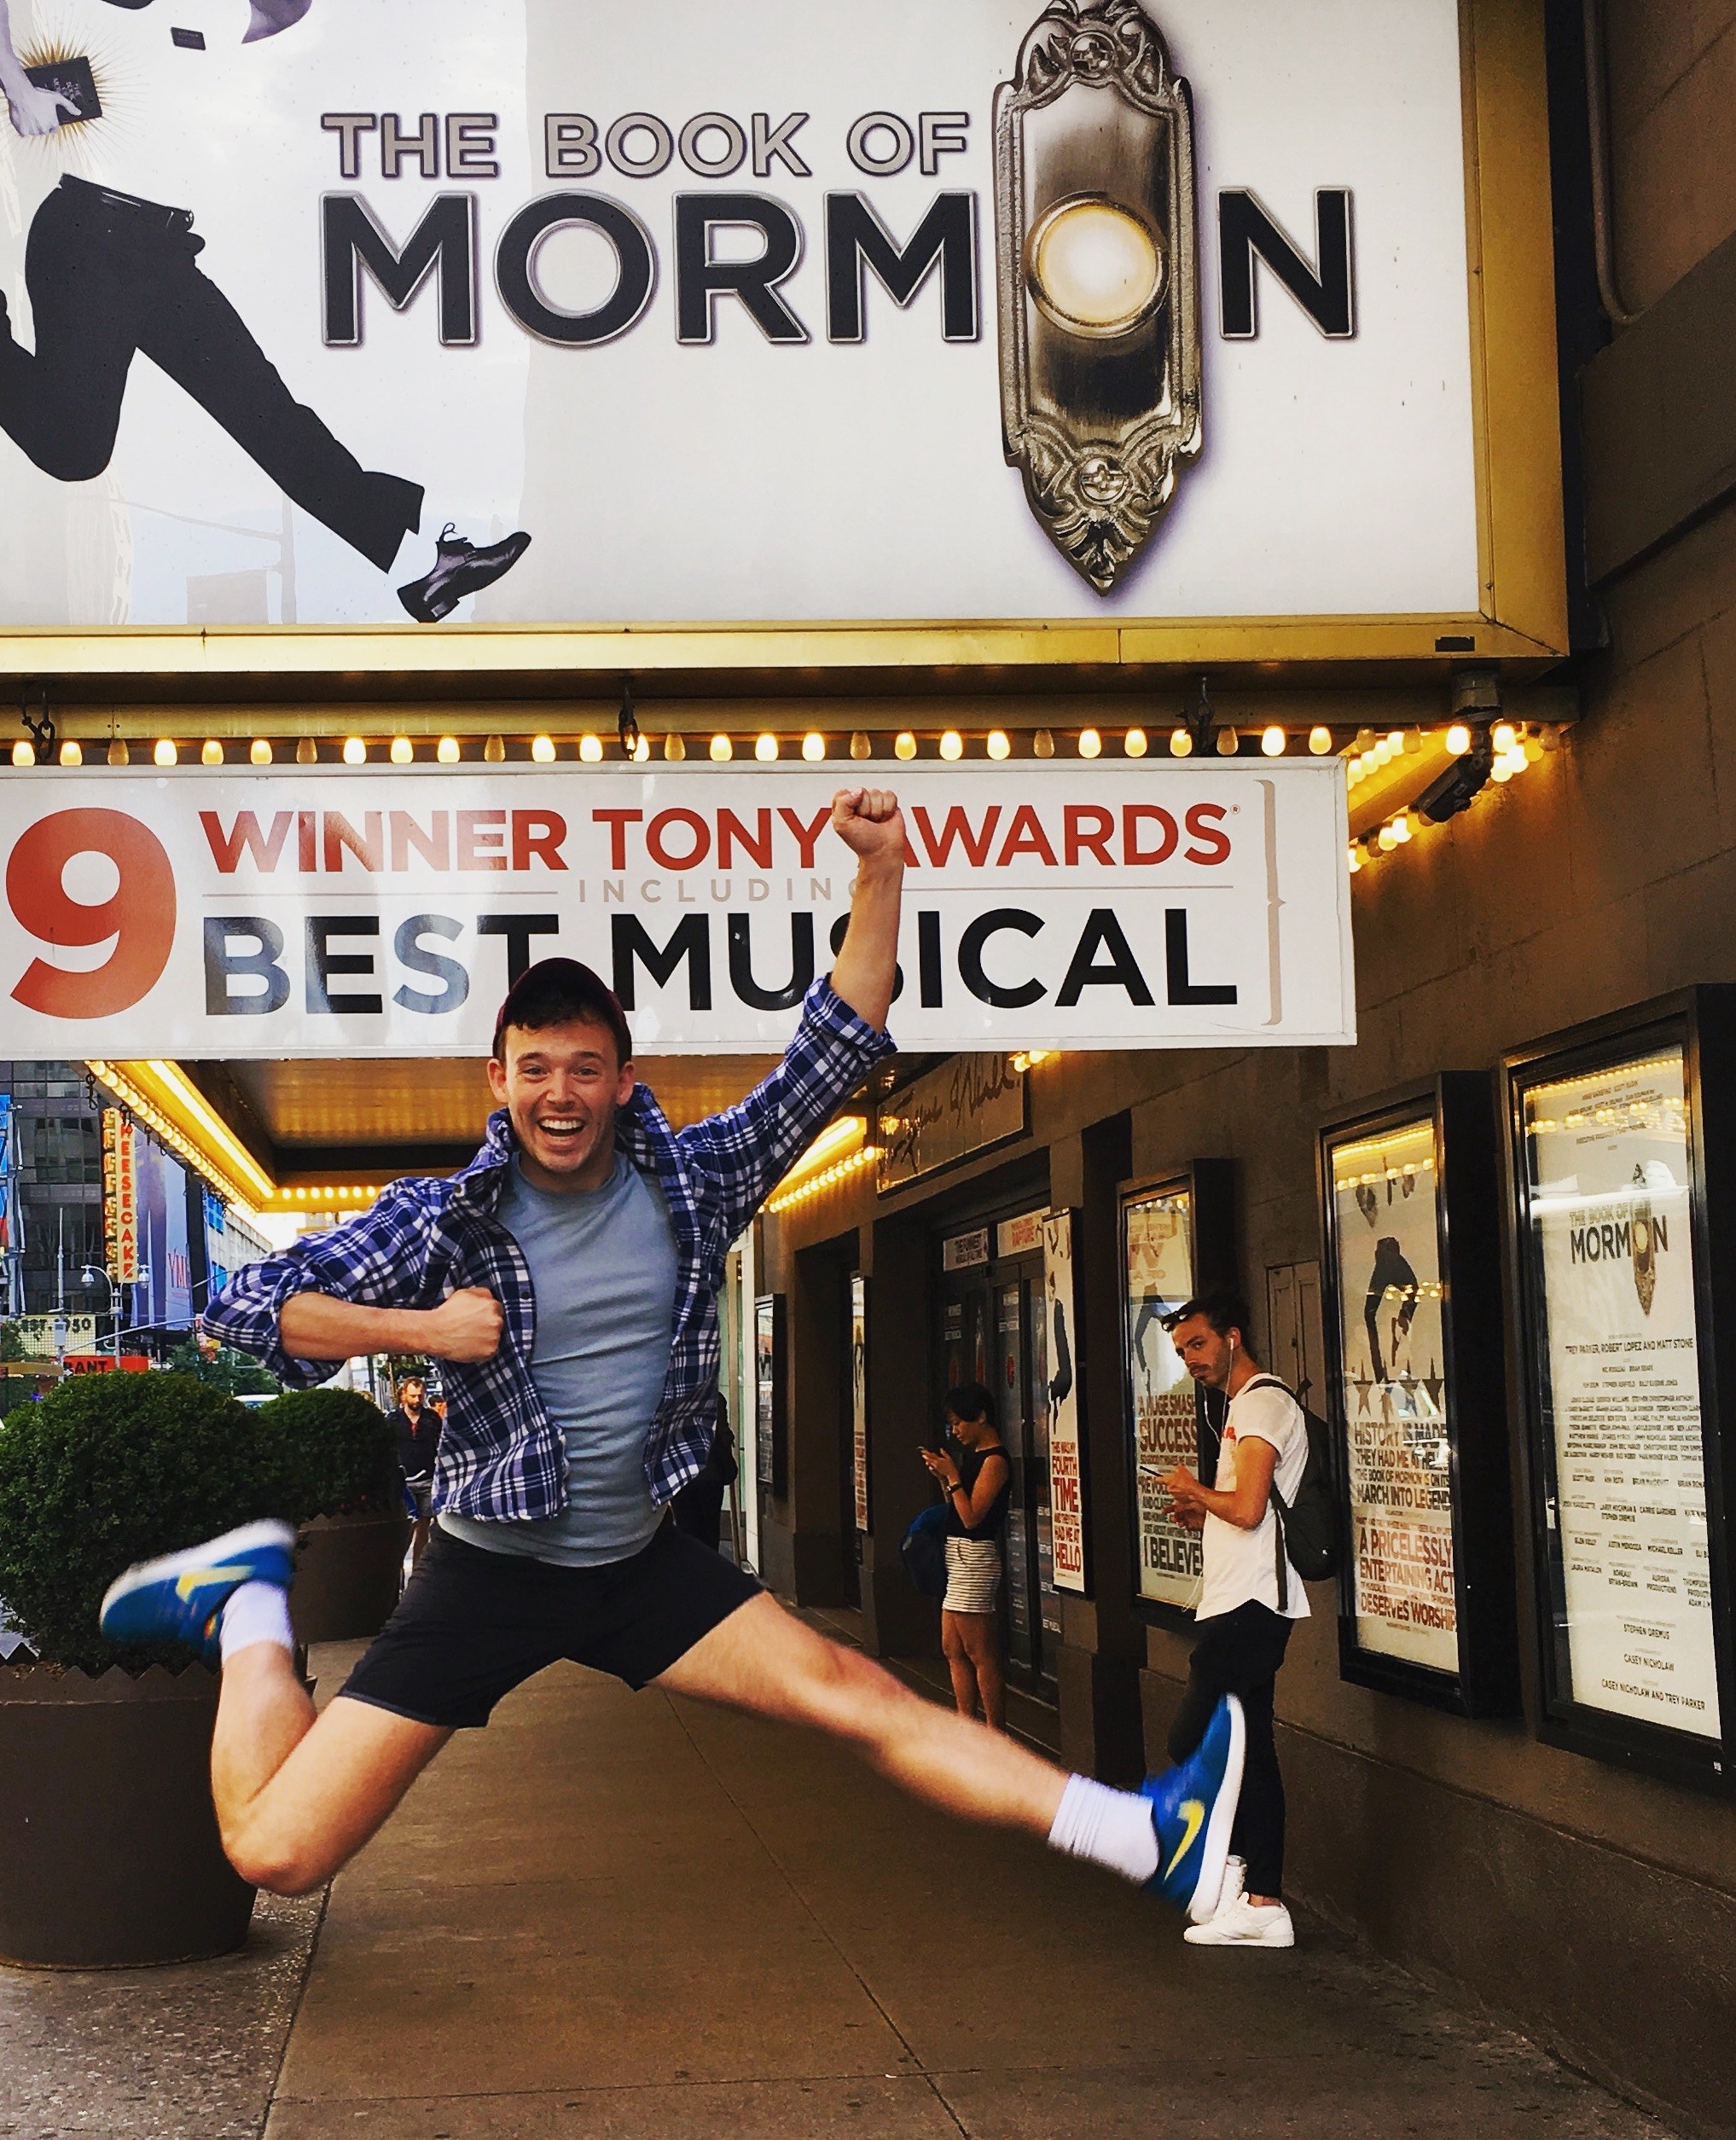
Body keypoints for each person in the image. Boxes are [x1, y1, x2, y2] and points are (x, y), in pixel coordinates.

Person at [100, 787, 1245, 1925]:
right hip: (488, 1572)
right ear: (497, 1081)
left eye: (585, 1068)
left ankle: (1147, 1836)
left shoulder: (693, 1183)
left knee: (856, 1694)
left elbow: (831, 1047)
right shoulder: (441, 1221)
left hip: (639, 1565)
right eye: (536, 1067)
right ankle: (247, 1603)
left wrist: (883, 871)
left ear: (621, 1080)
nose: (561, 1093)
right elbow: (244, 1307)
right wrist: (421, 1330)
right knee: (278, 1853)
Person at [0, 0, 530, 624]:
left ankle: (428, 564)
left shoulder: (194, 10)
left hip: (164, 253)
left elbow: (272, 12)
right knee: (77, 452)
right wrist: (17, 86)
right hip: (88, 237)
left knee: (266, 415)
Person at [1160, 1289, 1310, 1950]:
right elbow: (1245, 1513)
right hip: (1238, 1600)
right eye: (1180, 1351)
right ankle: (1259, 1897)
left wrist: (1195, 1488)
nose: (1190, 1359)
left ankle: (1234, 1870)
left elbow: (1248, 1508)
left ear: (1231, 1336)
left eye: (1197, 1344)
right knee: (1251, 1748)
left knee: (1195, 1736)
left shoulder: (1263, 1403)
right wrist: (1202, 1512)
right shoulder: (1239, 1408)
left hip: (1250, 1607)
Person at [918, 1383, 1009, 1727]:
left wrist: (953, 1475)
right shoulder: (972, 1459)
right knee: (952, 1648)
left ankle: (994, 1732)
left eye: (959, 1423)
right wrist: (946, 1479)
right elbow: (955, 1511)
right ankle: (966, 1724)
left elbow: (973, 1518)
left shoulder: (995, 1460)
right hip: (957, 1556)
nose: (955, 1431)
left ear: (981, 1417)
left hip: (975, 1557)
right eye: (951, 1425)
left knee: (979, 1652)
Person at [671, 1392, 740, 1552]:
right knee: (709, 1531)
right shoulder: (715, 1398)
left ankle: (692, 1571)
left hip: (682, 1475)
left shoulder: (674, 1398)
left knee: (686, 1531)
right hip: (710, 1474)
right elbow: (722, 1434)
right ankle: (708, 1571)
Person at [394, 1372, 442, 1569]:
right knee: (407, 1528)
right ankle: (397, 1569)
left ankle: (417, 1570)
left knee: (424, 1527)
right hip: (404, 1481)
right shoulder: (394, 1420)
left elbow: (441, 1444)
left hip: (428, 1478)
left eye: (420, 1396)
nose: (416, 1399)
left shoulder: (432, 1419)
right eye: (413, 1395)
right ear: (403, 1395)